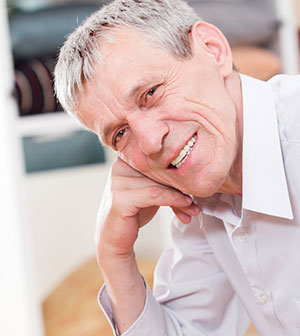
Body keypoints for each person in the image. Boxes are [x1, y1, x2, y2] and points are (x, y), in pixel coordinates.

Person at [54, 0, 300, 335]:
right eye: (121, 134)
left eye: (151, 93)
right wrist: (115, 256)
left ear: (213, 51)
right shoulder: (203, 206)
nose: (152, 141)